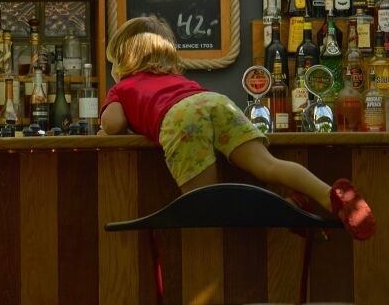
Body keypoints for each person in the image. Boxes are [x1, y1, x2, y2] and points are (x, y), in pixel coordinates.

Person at [98, 15, 375, 241]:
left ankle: (281, 213)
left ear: (122, 60)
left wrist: (105, 128)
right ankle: (329, 196)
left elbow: (113, 124)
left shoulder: (123, 87)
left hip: (181, 119)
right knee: (269, 165)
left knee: (205, 205)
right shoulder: (178, 80)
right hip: (215, 101)